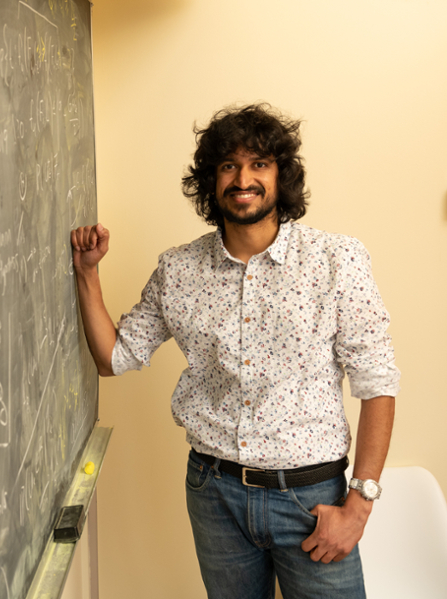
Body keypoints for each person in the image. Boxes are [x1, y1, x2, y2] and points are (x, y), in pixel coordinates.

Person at [70, 103, 399, 599]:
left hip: (311, 498)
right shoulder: (178, 271)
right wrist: (87, 273)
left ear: (280, 176)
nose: (243, 178)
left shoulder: (337, 260)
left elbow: (378, 383)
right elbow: (114, 357)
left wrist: (360, 504)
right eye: (229, 166)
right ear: (211, 181)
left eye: (259, 164)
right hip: (214, 492)